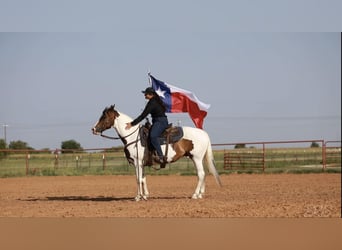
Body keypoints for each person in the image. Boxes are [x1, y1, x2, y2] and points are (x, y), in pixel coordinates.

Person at [125, 87, 169, 168]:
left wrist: (132, 124)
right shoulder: (154, 101)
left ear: (151, 94)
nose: (144, 95)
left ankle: (161, 156)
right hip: (157, 121)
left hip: (160, 122)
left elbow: (142, 116)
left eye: (146, 94)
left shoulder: (152, 103)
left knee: (153, 136)